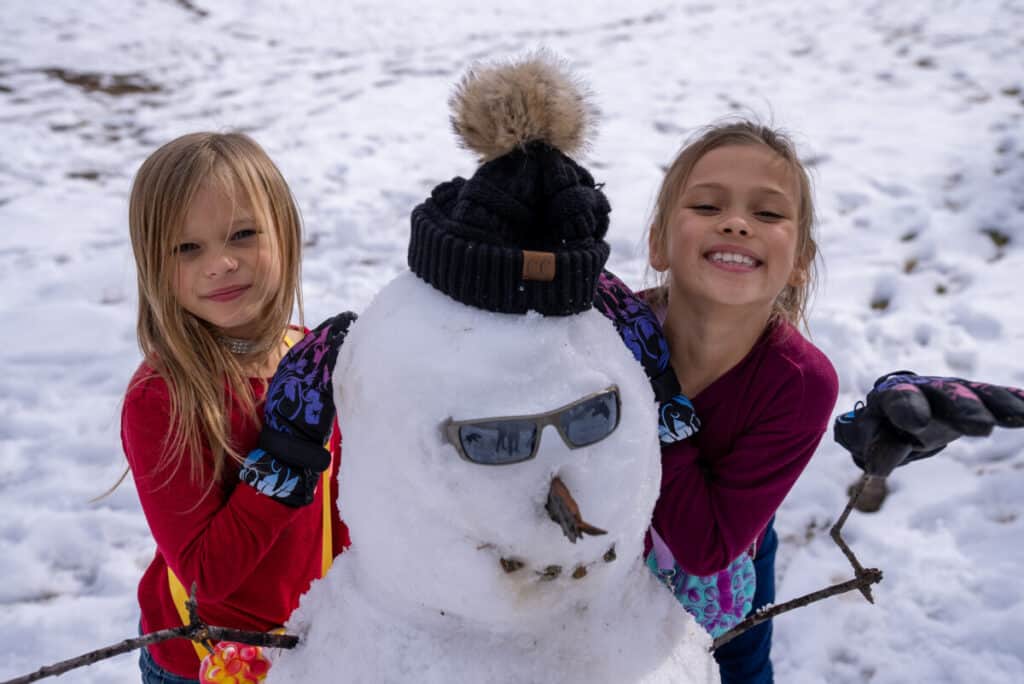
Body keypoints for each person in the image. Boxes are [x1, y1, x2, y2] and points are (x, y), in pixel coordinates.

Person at [121, 132, 351, 683]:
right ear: (154, 261)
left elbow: (351, 511)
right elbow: (204, 576)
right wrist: (283, 460)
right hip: (206, 665)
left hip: (316, 644)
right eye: (187, 248)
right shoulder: (164, 399)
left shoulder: (310, 365)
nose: (221, 263)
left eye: (242, 235)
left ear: (285, 233)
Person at [629, 120, 838, 684]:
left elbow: (706, 546)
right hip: (606, 558)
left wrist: (657, 403)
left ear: (799, 258)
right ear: (658, 242)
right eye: (706, 205)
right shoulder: (602, 328)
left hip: (728, 550)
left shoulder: (798, 384)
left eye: (768, 214)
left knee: (736, 669)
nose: (737, 222)